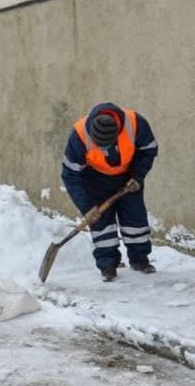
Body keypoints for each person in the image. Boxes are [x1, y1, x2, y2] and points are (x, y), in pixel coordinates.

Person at [61, 102, 159, 281]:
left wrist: (137, 176)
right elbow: (70, 175)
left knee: (135, 220)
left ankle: (140, 260)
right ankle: (107, 265)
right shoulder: (79, 137)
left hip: (129, 177)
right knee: (101, 224)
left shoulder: (135, 123)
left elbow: (148, 150)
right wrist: (86, 206)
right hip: (95, 179)